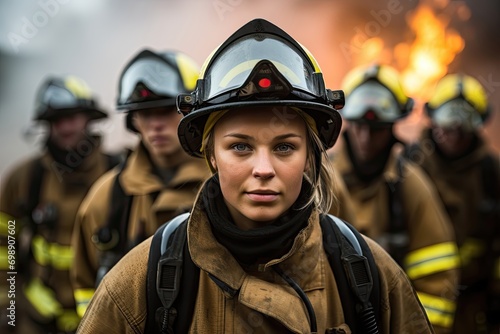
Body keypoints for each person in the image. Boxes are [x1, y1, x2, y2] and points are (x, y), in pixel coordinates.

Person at [76, 19, 434, 334]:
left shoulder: (367, 274)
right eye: (241, 147)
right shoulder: (144, 280)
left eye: (284, 148)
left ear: (310, 155)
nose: (263, 169)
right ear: (211, 155)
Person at [70, 49, 211, 318]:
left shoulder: (227, 186)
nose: (156, 124)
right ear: (133, 120)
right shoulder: (106, 197)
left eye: (166, 110)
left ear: (194, 110)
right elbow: (85, 290)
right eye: (145, 113)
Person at [330, 63, 460, 333]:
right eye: (359, 126)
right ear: (347, 123)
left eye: (376, 128)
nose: (366, 138)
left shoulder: (411, 185)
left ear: (392, 127)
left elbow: (438, 280)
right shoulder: (323, 179)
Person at [0, 75, 120, 333]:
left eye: (72, 117)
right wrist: (7, 305)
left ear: (88, 118)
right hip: (36, 317)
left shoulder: (119, 176)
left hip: (103, 318)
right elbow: (5, 243)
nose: (65, 127)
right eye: (56, 120)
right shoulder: (24, 179)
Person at [405, 73, 500, 334]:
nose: (455, 131)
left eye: (465, 121)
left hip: (475, 308)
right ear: (432, 118)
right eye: (448, 120)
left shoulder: (492, 173)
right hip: (416, 298)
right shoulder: (410, 166)